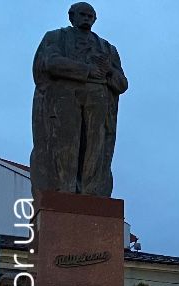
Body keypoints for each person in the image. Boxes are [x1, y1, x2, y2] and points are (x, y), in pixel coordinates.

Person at [31, 3, 128, 199]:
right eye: (82, 14)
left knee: (96, 146)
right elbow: (50, 63)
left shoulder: (108, 49)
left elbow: (123, 84)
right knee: (65, 142)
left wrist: (108, 70)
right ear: (71, 17)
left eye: (91, 16)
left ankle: (92, 193)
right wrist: (87, 70)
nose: (87, 18)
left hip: (98, 99)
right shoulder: (55, 37)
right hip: (65, 96)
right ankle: (63, 189)